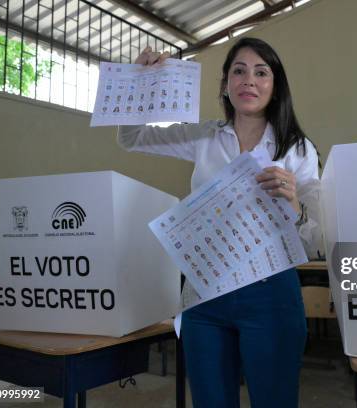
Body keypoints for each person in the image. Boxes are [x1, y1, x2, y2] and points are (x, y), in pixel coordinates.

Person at [117, 37, 322, 408]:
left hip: (271, 291)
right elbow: (131, 138)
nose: (249, 80)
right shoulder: (204, 137)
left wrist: (294, 202)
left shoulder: (298, 148)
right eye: (238, 71)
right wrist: (142, 82)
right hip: (204, 293)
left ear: (275, 87)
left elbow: (314, 240)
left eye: (262, 72)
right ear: (226, 84)